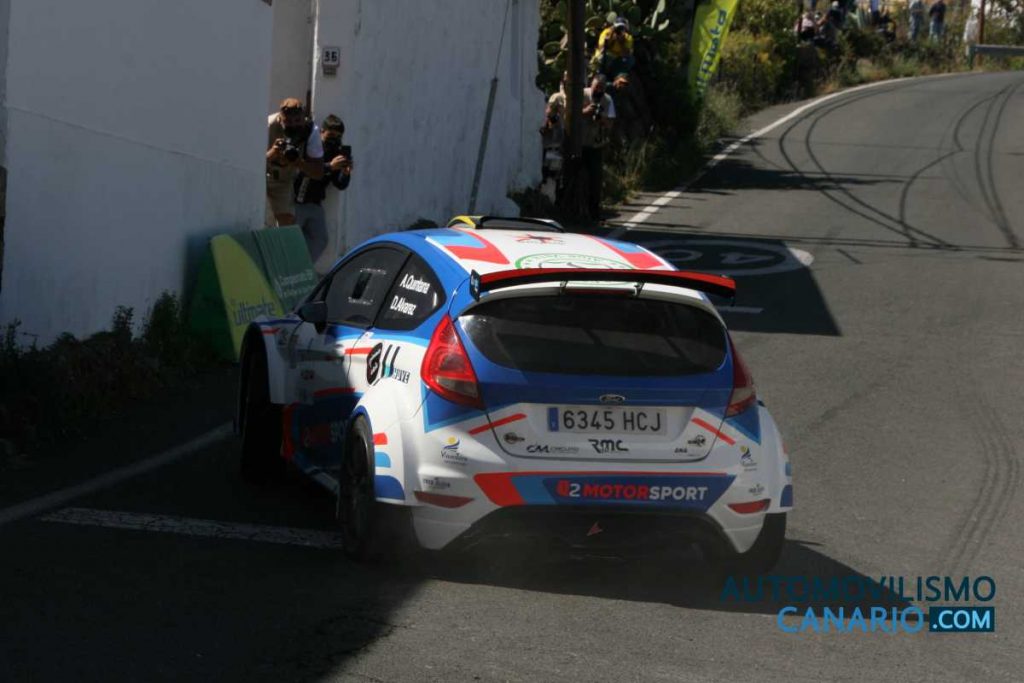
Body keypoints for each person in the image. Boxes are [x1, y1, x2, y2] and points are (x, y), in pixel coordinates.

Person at [292, 115, 352, 266]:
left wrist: (345, 173)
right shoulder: (313, 148)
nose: (334, 140)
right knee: (290, 240)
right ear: (321, 132)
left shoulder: (335, 153)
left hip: (316, 203)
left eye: (338, 137)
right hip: (298, 201)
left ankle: (301, 268)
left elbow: (339, 184)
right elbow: (305, 172)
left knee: (320, 239)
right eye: (331, 135)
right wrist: (329, 166)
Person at [266, 98, 324, 227]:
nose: (293, 125)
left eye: (297, 121)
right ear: (280, 118)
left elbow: (318, 173)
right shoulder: (268, 125)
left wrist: (298, 163)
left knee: (287, 220)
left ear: (304, 118)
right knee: (263, 219)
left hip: (284, 180)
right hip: (263, 176)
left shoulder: (311, 131)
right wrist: (272, 153)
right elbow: (252, 164)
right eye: (288, 121)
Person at [581, 74, 615, 220]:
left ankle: (593, 212)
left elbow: (610, 124)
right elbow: (569, 114)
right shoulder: (582, 94)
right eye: (596, 87)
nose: (598, 91)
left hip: (595, 145)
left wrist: (601, 118)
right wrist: (585, 111)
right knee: (576, 177)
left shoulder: (607, 100)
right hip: (578, 143)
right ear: (591, 85)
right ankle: (574, 210)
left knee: (595, 180)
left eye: (602, 88)